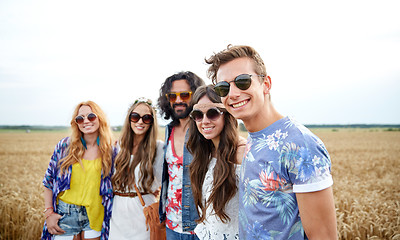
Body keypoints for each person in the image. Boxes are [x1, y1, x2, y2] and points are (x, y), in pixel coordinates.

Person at [205, 45, 337, 239]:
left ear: (266, 84)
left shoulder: (300, 145)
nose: (232, 94)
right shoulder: (254, 138)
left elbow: (323, 235)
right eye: (223, 87)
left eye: (242, 81)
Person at [41, 101, 116, 240]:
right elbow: (48, 181)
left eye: (91, 116)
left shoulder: (110, 150)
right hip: (65, 215)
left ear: (100, 118)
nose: (85, 121)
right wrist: (49, 213)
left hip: (96, 215)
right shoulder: (65, 147)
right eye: (80, 118)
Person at [186, 85, 246, 240]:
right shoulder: (204, 154)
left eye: (212, 113)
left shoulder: (243, 153)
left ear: (226, 115)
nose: (204, 121)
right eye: (198, 115)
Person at [157, 71, 205, 240]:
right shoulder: (168, 130)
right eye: (172, 96)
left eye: (185, 95)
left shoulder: (204, 129)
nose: (178, 100)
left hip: (199, 226)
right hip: (172, 224)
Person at [109, 98, 164, 239]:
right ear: (129, 119)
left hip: (143, 212)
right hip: (117, 215)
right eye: (135, 117)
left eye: (146, 118)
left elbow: (168, 182)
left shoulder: (158, 148)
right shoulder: (118, 146)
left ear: (152, 122)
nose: (140, 122)